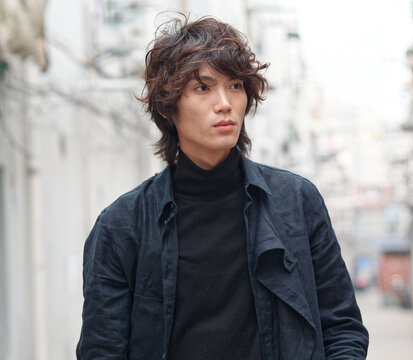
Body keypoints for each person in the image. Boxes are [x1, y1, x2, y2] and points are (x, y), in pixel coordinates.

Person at [76, 15, 369, 360]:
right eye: (203, 88)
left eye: (235, 86)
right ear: (168, 108)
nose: (225, 103)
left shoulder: (297, 202)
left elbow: (342, 326)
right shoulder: (122, 225)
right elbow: (102, 348)